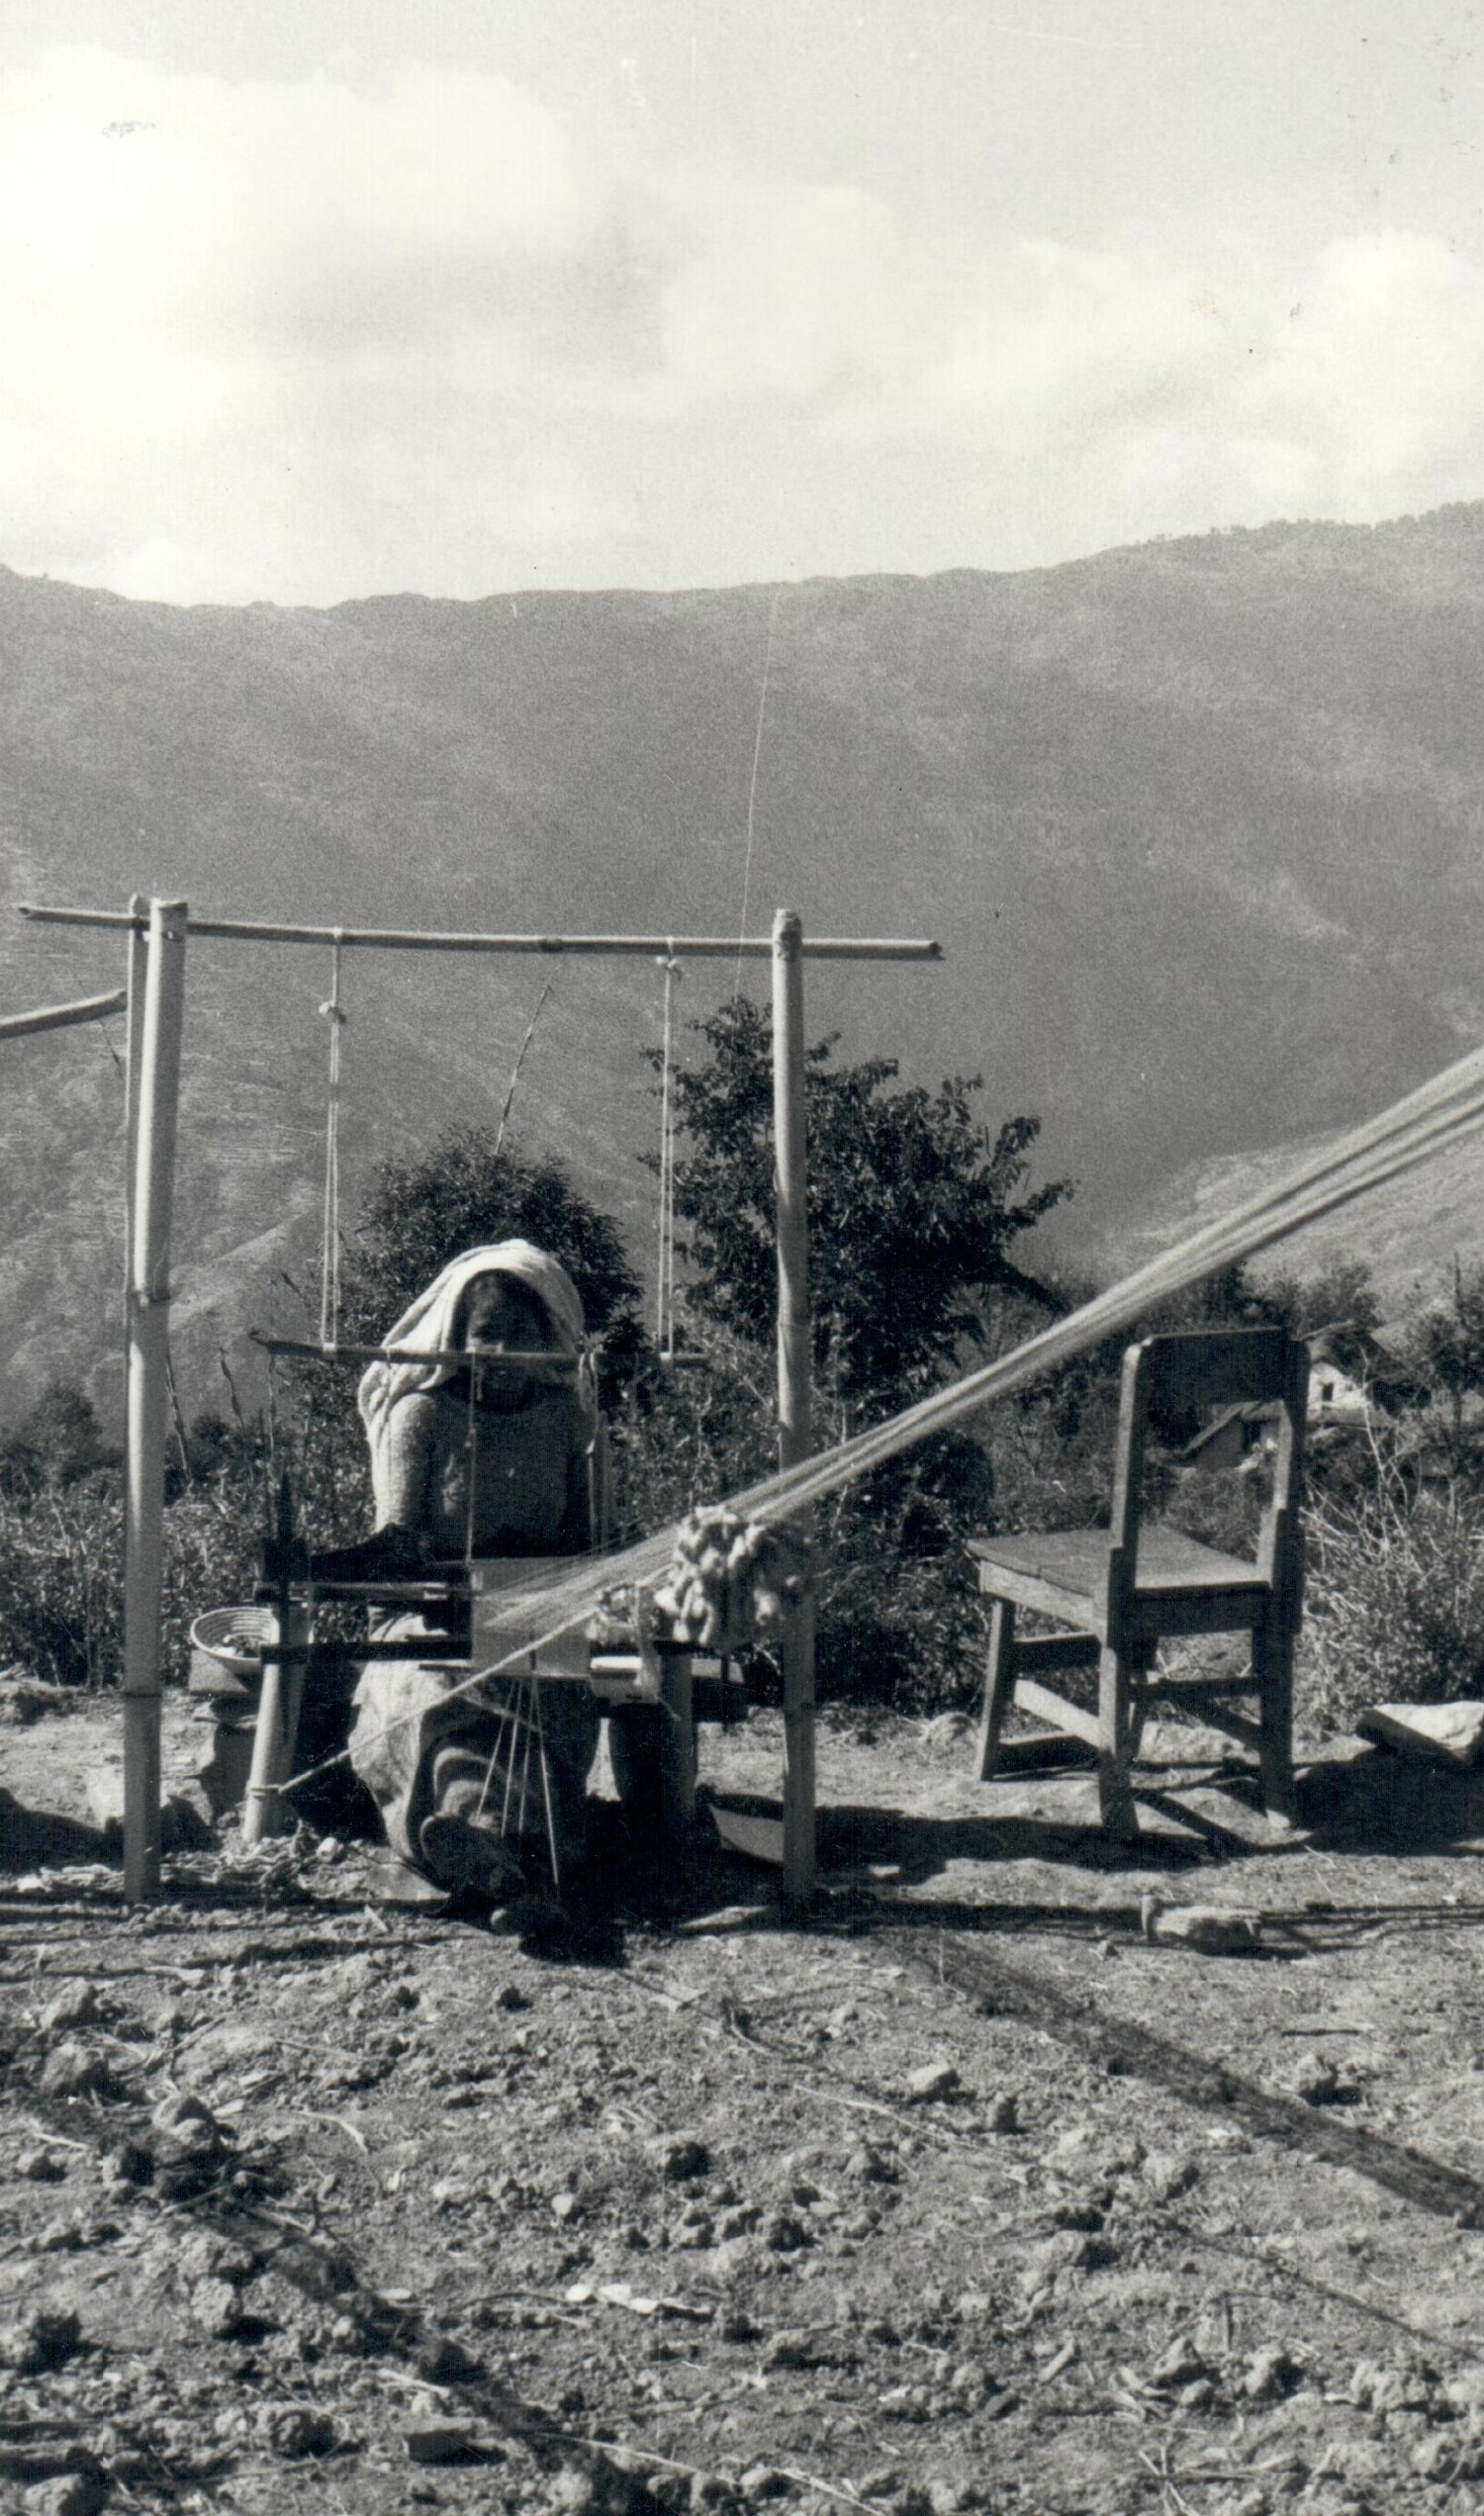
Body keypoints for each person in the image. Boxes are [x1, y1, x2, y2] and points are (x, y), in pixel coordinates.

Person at [342, 1241, 603, 1908]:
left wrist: (537, 1588)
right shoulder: (422, 1415)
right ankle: (486, 1837)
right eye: (486, 1333)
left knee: (547, 1688)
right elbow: (396, 1553)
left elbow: (585, 1548)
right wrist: (455, 1592)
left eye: (520, 1335)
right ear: (459, 1338)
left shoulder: (567, 1422)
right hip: (426, 1617)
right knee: (442, 1685)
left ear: (547, 1339)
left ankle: (495, 1849)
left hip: (534, 1617)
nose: (501, 1351)